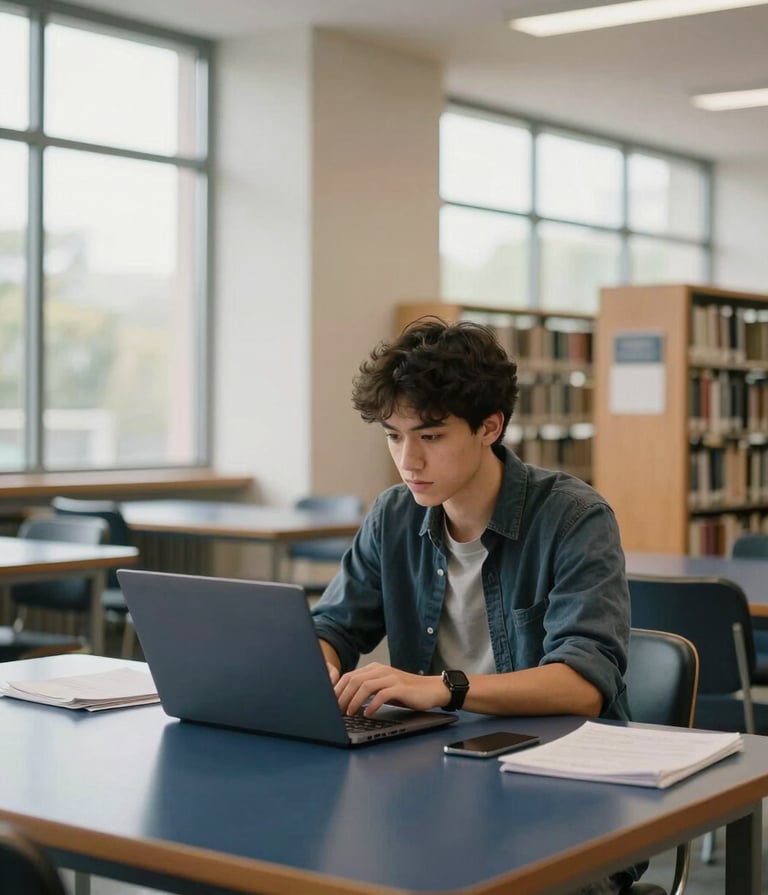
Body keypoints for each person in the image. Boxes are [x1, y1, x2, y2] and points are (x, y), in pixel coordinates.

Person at [311, 317, 643, 894]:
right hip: (434, 776)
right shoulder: (394, 514)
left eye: (431, 436)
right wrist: (316, 664)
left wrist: (444, 687)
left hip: (560, 787)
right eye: (393, 435)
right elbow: (335, 625)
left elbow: (583, 682)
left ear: (490, 427)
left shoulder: (573, 518)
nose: (408, 460)